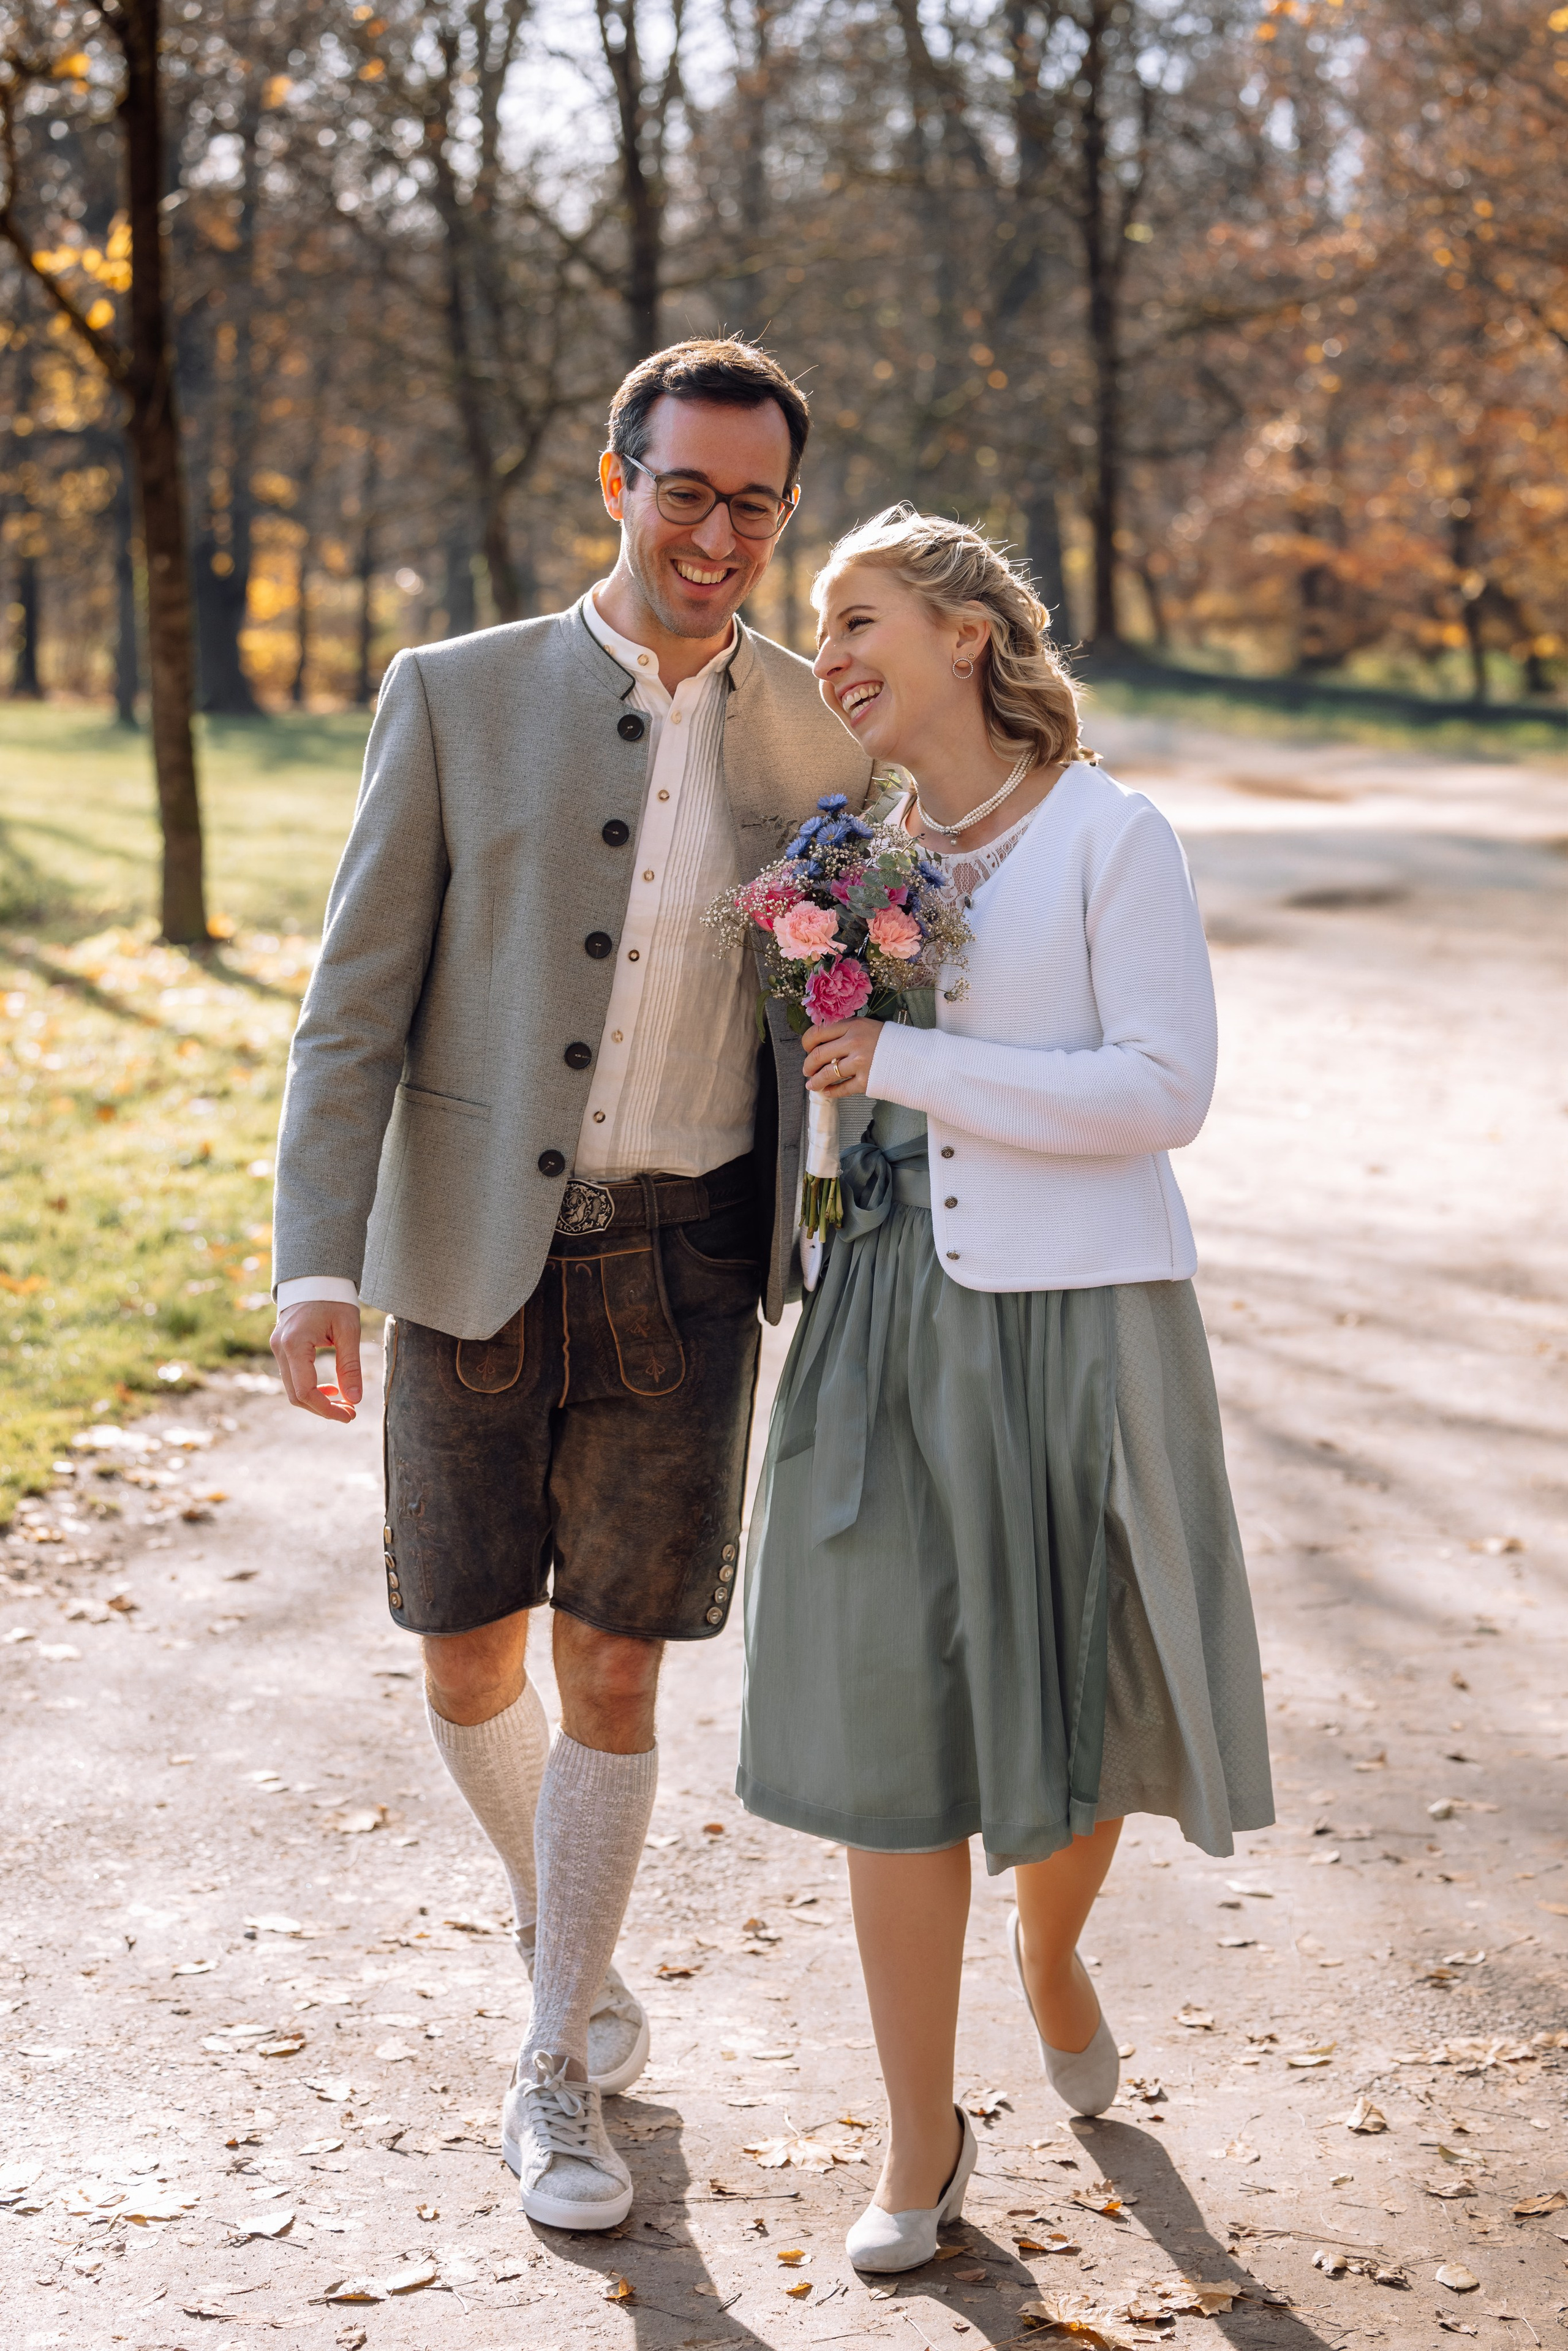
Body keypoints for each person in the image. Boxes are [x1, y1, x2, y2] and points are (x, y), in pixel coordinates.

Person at [268, 339, 870, 2232]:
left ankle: (551, 2065)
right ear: (617, 482)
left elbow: (861, 1000)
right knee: (468, 1658)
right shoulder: (454, 695)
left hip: (692, 1261)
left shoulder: (822, 742)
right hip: (469, 1253)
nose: (715, 530)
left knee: (619, 1660)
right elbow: (352, 1004)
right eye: (682, 487)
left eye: (753, 502)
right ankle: (565, 1925)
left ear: (786, 518)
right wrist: (313, 1263)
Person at [737, 506, 1273, 2272]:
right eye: (821, 628)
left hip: (1080, 1317)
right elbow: (847, 1094)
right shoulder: (859, 850)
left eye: (860, 614)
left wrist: (909, 1053)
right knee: (894, 1716)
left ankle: (1050, 1956)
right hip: (888, 1314)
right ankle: (918, 2136)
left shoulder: (1115, 836)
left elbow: (1163, 1092)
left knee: (1073, 1709)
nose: (833, 650)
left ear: (968, 634)